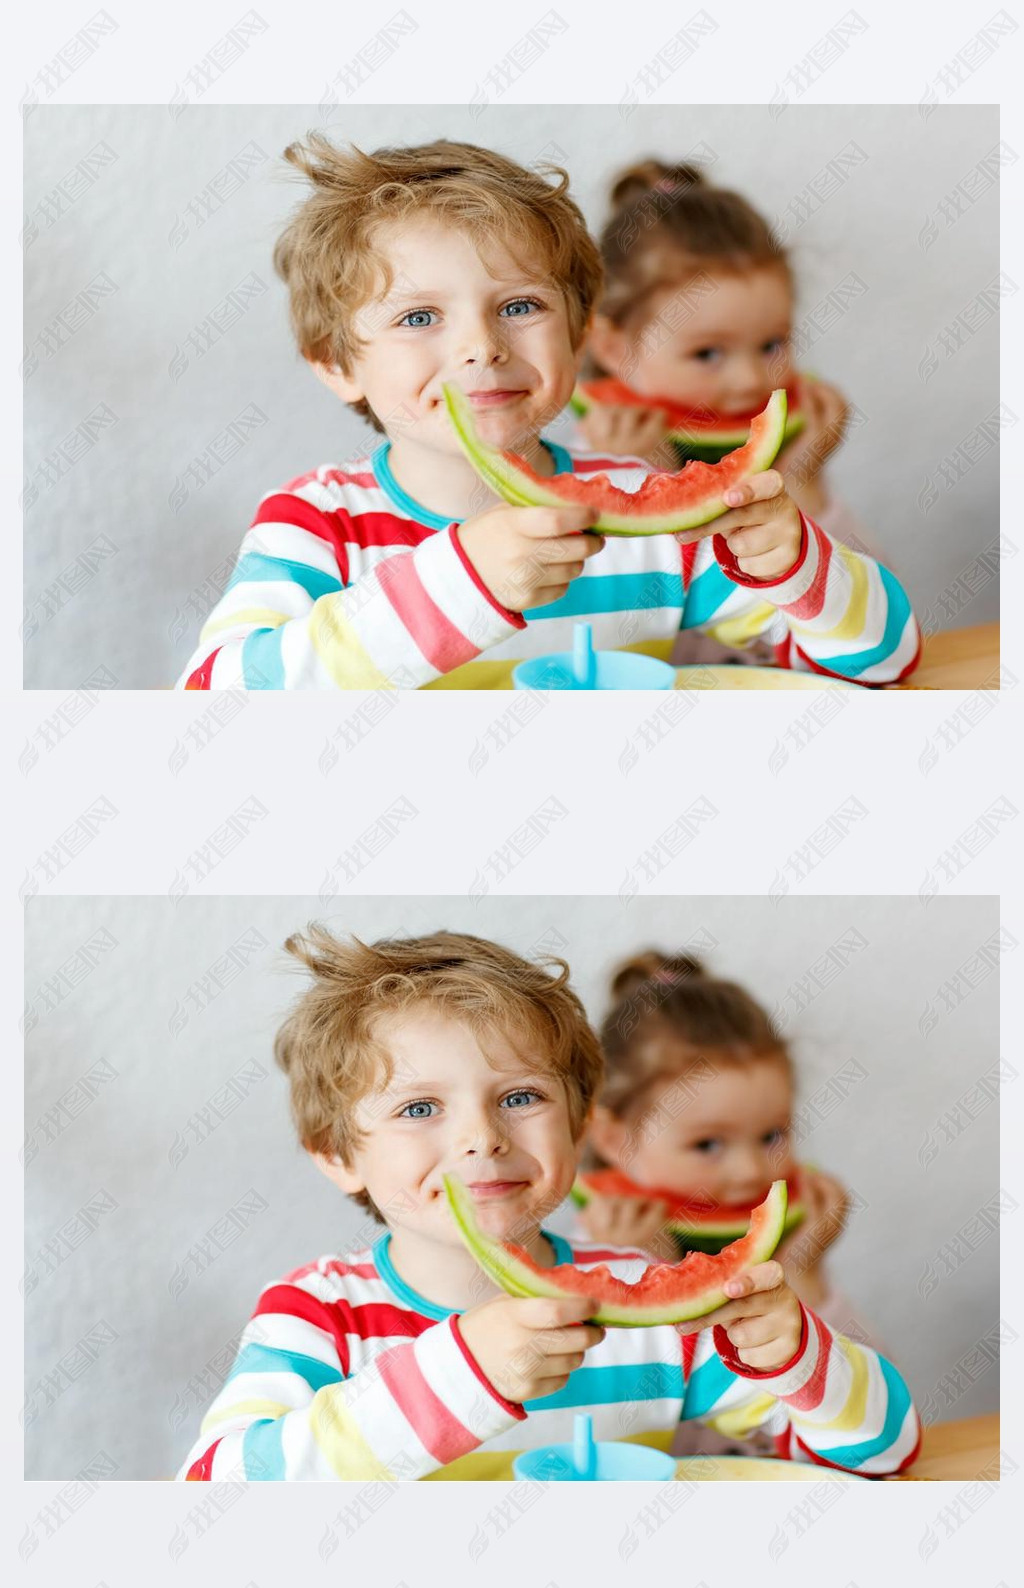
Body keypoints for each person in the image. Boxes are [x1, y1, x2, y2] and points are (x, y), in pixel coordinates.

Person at [176, 929, 920, 1480]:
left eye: (521, 1096)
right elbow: (213, 1491)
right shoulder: (318, 1315)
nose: (481, 1138)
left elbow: (883, 1452)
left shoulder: (644, 1308)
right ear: (338, 1156)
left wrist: (800, 1355)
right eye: (418, 1108)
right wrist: (464, 1377)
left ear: (579, 1122)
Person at [175, 138, 919, 690]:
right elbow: (214, 701)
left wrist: (799, 564)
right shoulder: (317, 524)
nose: (480, 347)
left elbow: (883, 661)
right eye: (418, 317)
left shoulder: (645, 519)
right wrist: (464, 586)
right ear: (337, 365)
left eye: (520, 305)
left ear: (579, 331)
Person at [574, 159, 892, 668]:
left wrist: (805, 480)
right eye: (707, 354)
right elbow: (600, 633)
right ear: (613, 347)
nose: (749, 381)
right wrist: (643, 484)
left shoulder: (784, 455)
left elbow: (872, 626)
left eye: (771, 344)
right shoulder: (585, 468)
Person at [576, 949, 884, 1457]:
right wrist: (637, 1278)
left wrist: (805, 1271)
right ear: (613, 1138)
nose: (749, 1172)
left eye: (771, 1135)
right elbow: (597, 1423)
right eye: (708, 1144)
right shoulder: (587, 1259)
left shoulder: (780, 1251)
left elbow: (868, 1415)